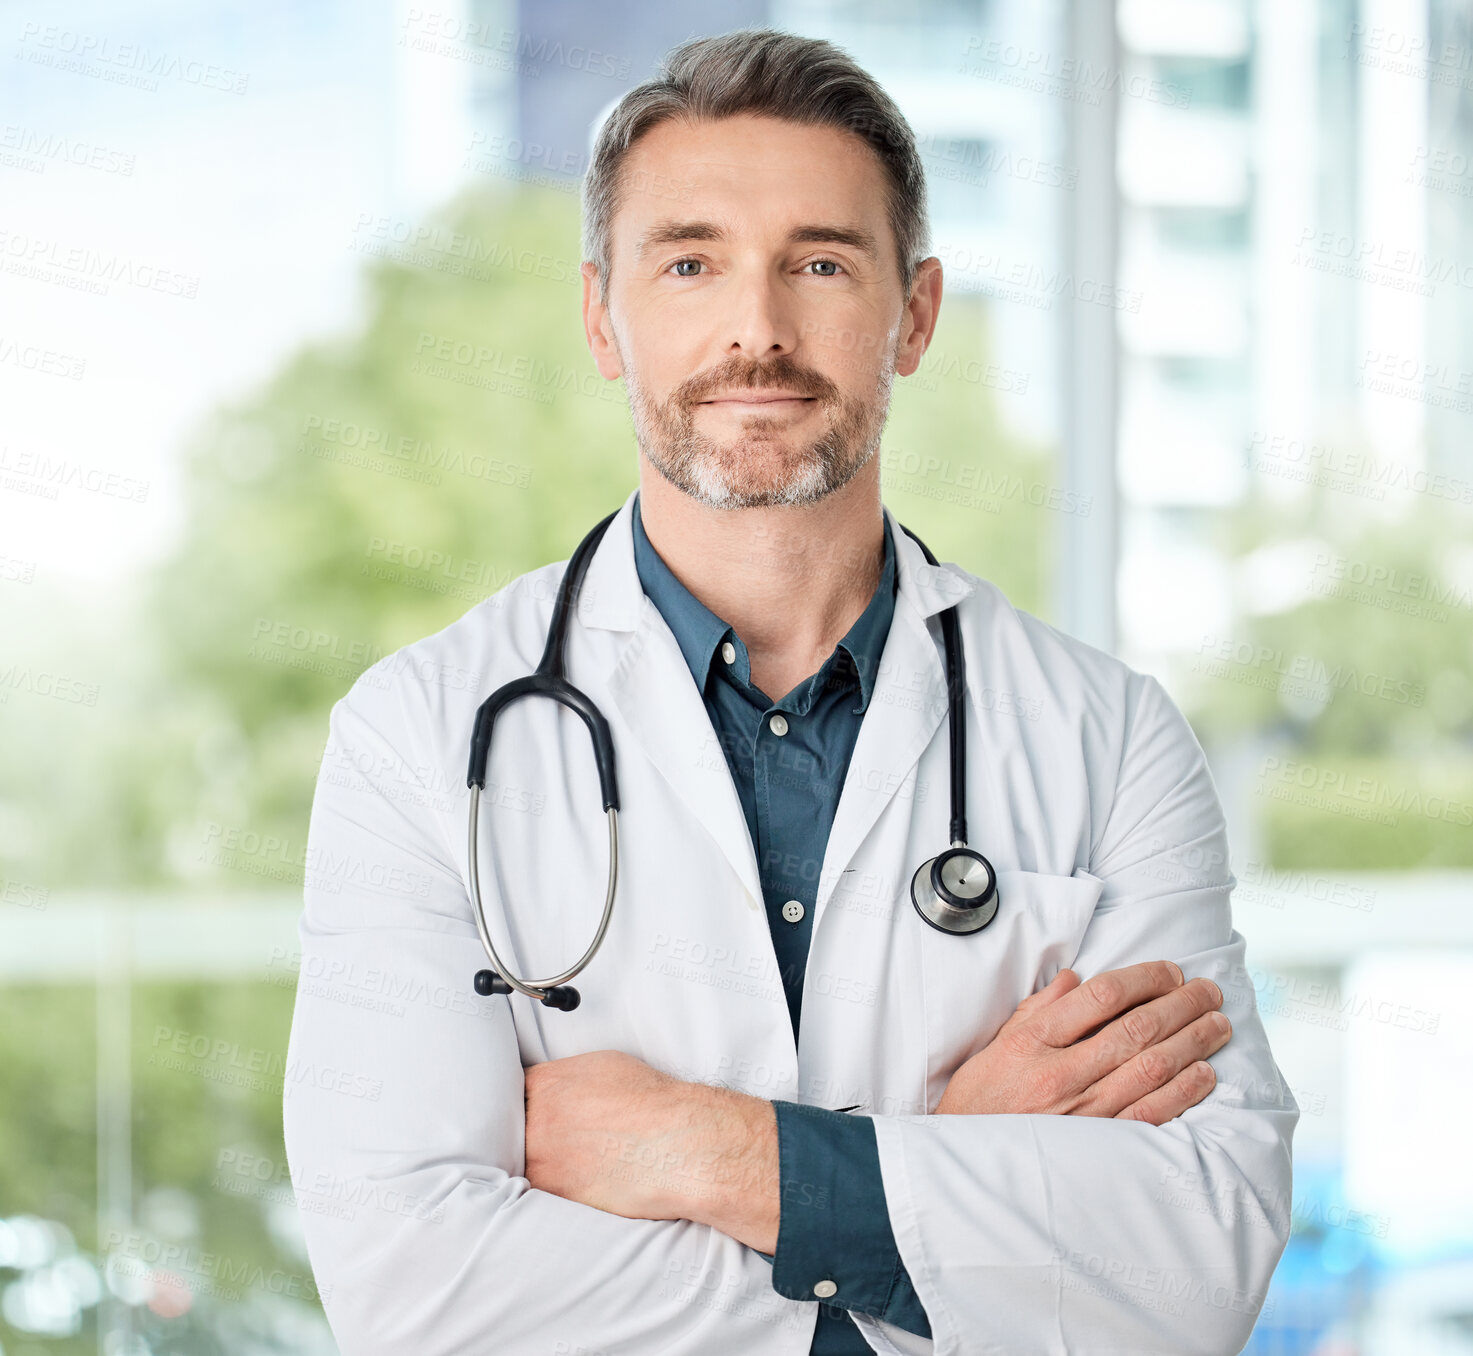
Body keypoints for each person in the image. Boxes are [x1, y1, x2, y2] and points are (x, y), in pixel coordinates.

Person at [283, 27, 1296, 1356]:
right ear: (603, 316)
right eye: (690, 263)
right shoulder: (418, 736)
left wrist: (699, 1149)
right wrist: (949, 1183)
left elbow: (1191, 1269)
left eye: (819, 263)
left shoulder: (1106, 739)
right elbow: (412, 1290)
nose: (755, 329)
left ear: (914, 313)